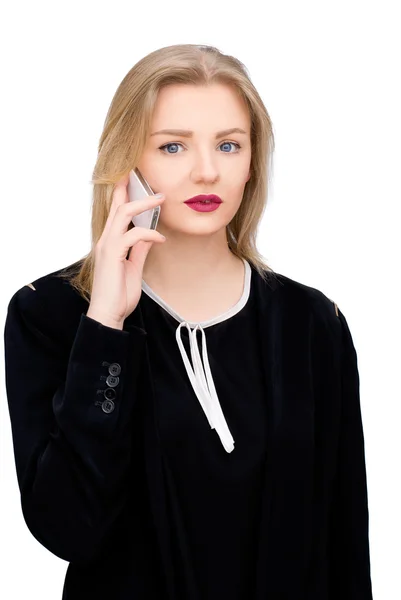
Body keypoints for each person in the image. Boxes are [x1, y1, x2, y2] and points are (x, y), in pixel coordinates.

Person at [3, 43, 373, 599]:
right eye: (172, 146)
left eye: (229, 145)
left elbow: (346, 547)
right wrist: (105, 326)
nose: (206, 171)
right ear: (128, 163)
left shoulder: (313, 325)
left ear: (252, 163)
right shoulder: (49, 314)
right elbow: (68, 528)